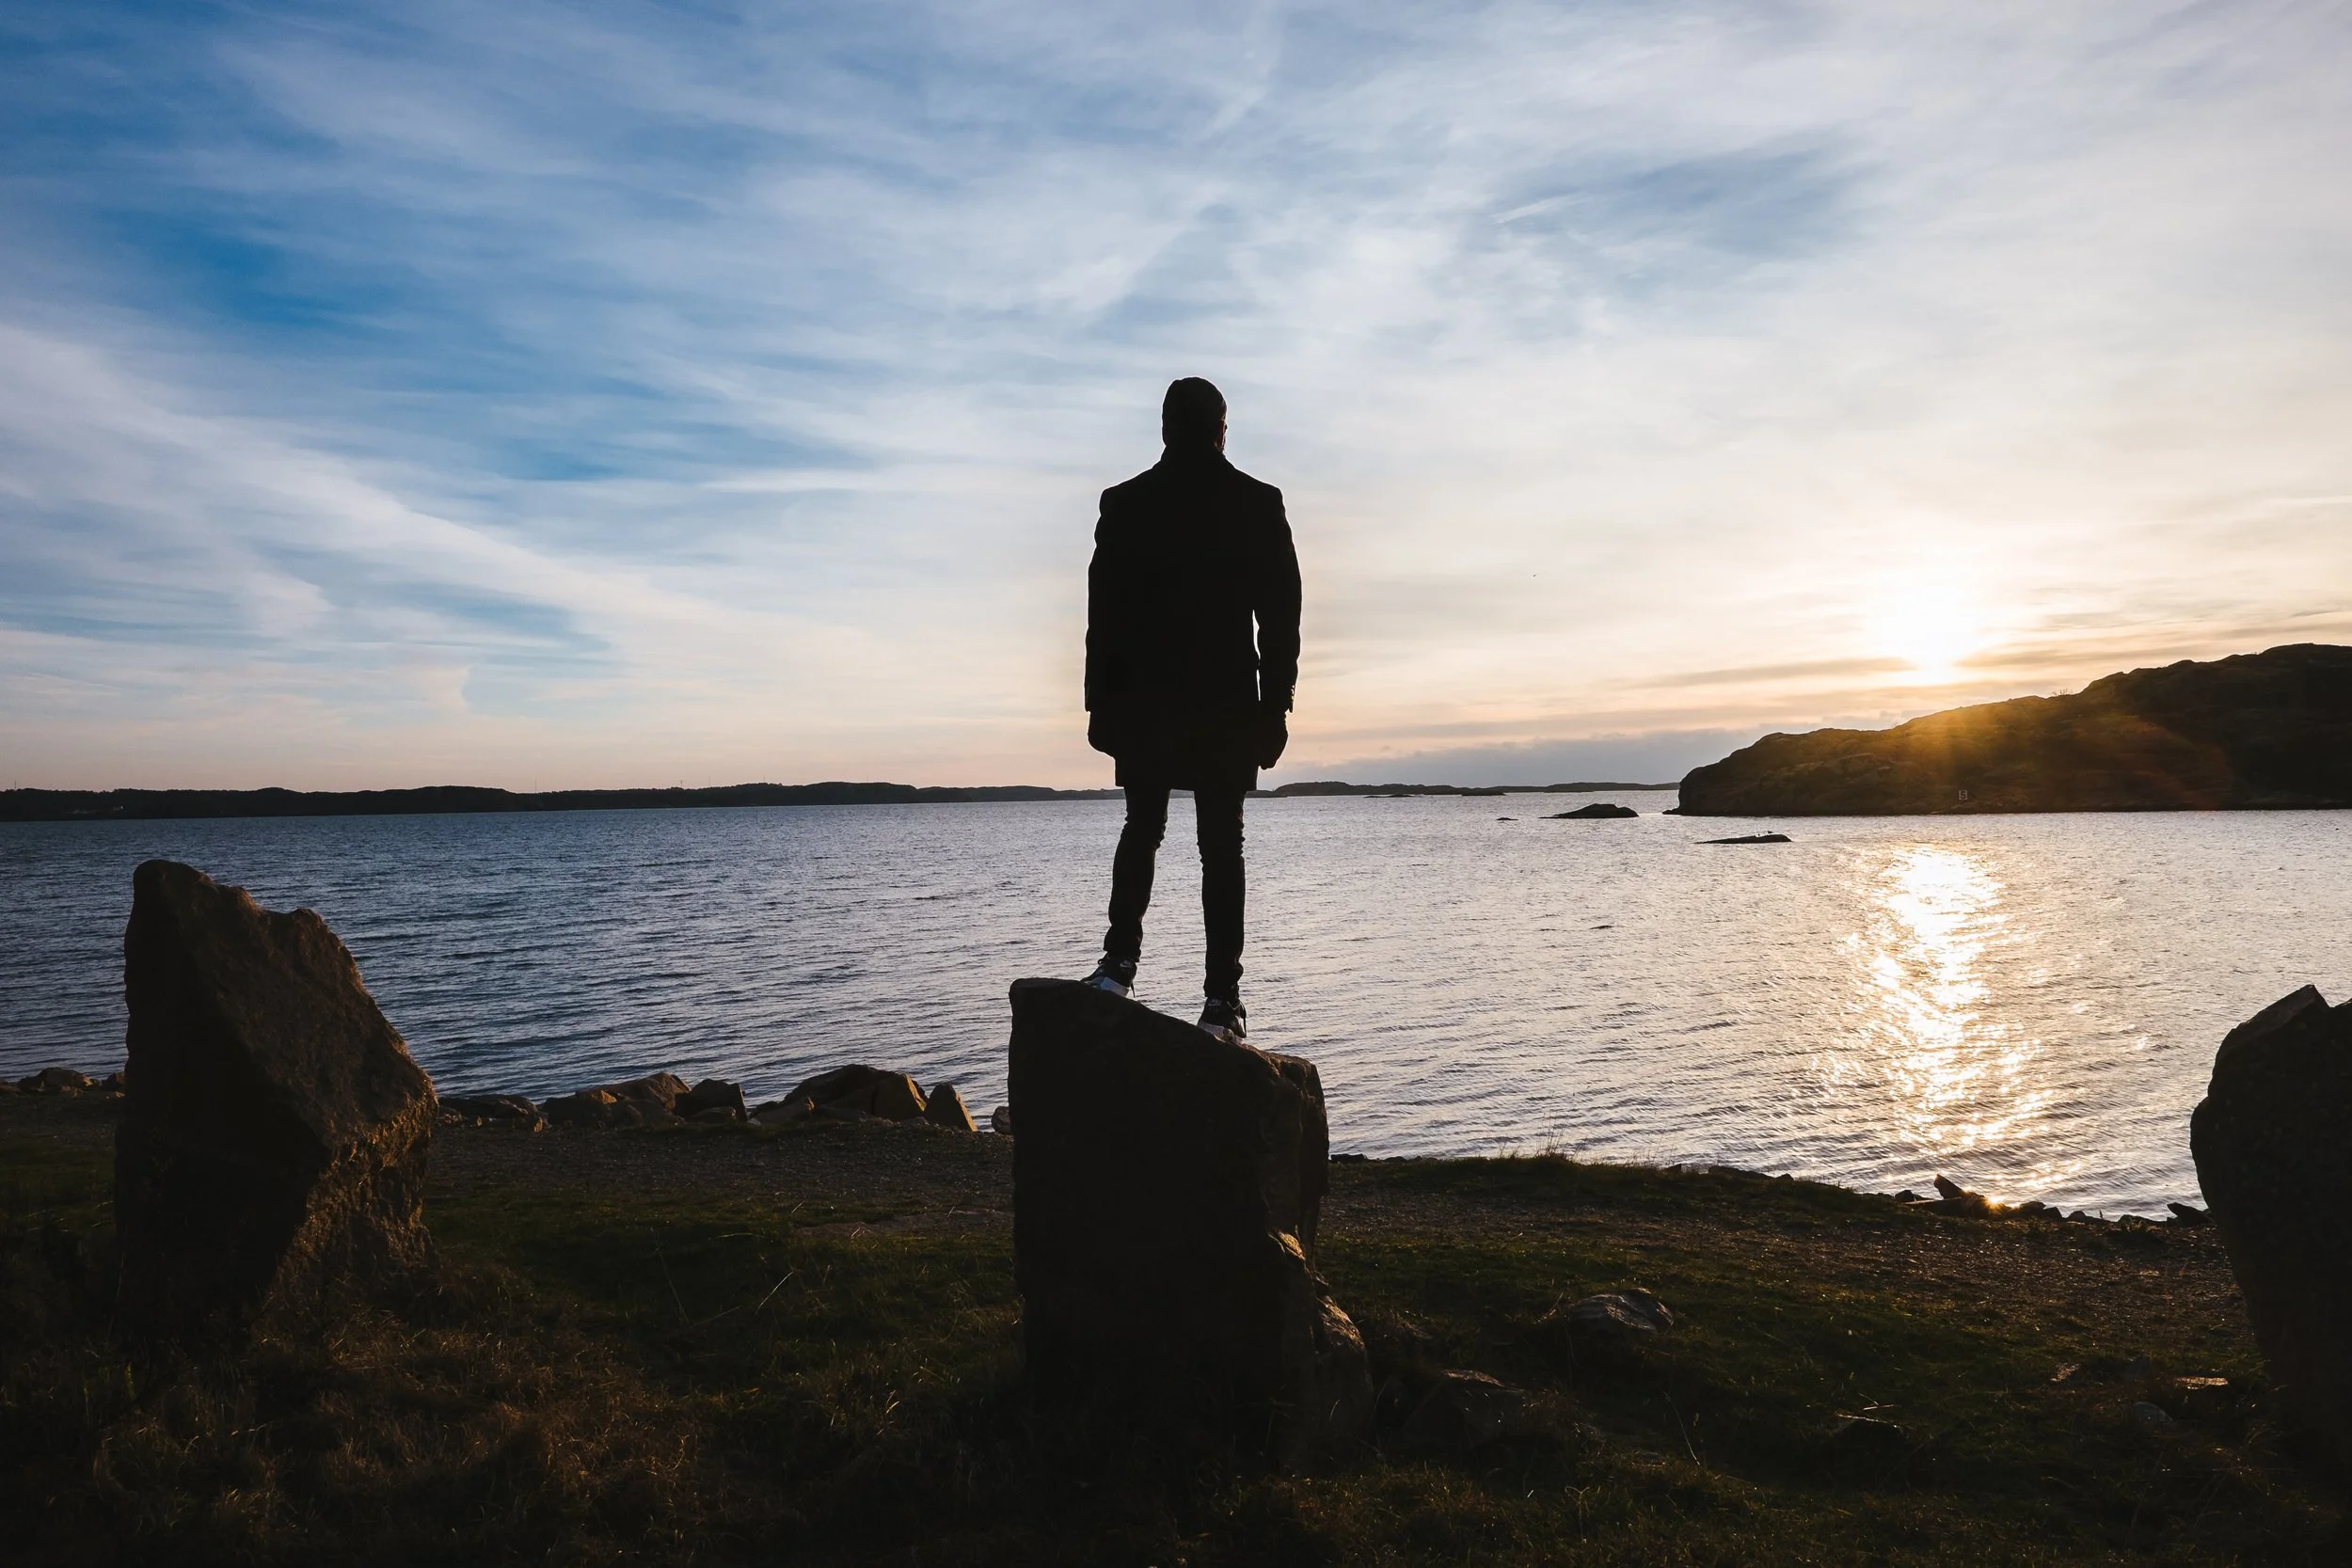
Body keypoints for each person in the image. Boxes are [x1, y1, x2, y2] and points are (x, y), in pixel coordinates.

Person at [1080, 377, 1301, 1043]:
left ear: (1165, 429)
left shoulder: (1125, 504)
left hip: (1146, 703)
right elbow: (1281, 619)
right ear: (1220, 430)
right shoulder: (1257, 503)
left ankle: (1119, 965)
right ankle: (1222, 1002)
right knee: (1220, 846)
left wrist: (1099, 701)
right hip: (1226, 703)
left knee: (1142, 826)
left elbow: (1103, 617)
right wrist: (1275, 706)